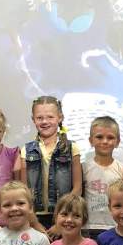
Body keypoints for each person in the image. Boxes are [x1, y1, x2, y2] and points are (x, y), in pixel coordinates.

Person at [21, 95, 82, 234]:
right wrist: (34, 222)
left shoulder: (72, 148)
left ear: (60, 118)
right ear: (33, 119)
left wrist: (61, 221)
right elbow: (23, 191)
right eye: (39, 118)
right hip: (34, 218)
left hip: (65, 217)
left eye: (50, 117)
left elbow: (77, 188)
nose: (44, 121)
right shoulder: (26, 150)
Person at [82, 116, 123, 239]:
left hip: (114, 227)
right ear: (91, 140)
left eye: (110, 137)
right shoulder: (83, 168)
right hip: (88, 227)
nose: (105, 141)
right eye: (99, 137)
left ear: (117, 142)